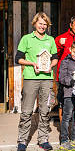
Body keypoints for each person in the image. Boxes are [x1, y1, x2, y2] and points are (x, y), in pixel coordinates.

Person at [15, 12, 58, 151]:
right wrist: (32, 64)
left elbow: (55, 58)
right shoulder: (26, 38)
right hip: (30, 78)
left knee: (45, 110)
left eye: (45, 24)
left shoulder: (50, 40)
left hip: (46, 79)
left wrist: (50, 66)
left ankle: (43, 139)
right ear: (35, 23)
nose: (43, 26)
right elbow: (18, 59)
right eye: (40, 23)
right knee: (27, 111)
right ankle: (22, 141)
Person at [59, 40, 75, 150]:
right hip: (69, 93)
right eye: (74, 52)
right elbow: (62, 78)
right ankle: (64, 139)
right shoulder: (65, 62)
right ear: (70, 50)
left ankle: (74, 138)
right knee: (67, 117)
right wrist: (72, 80)